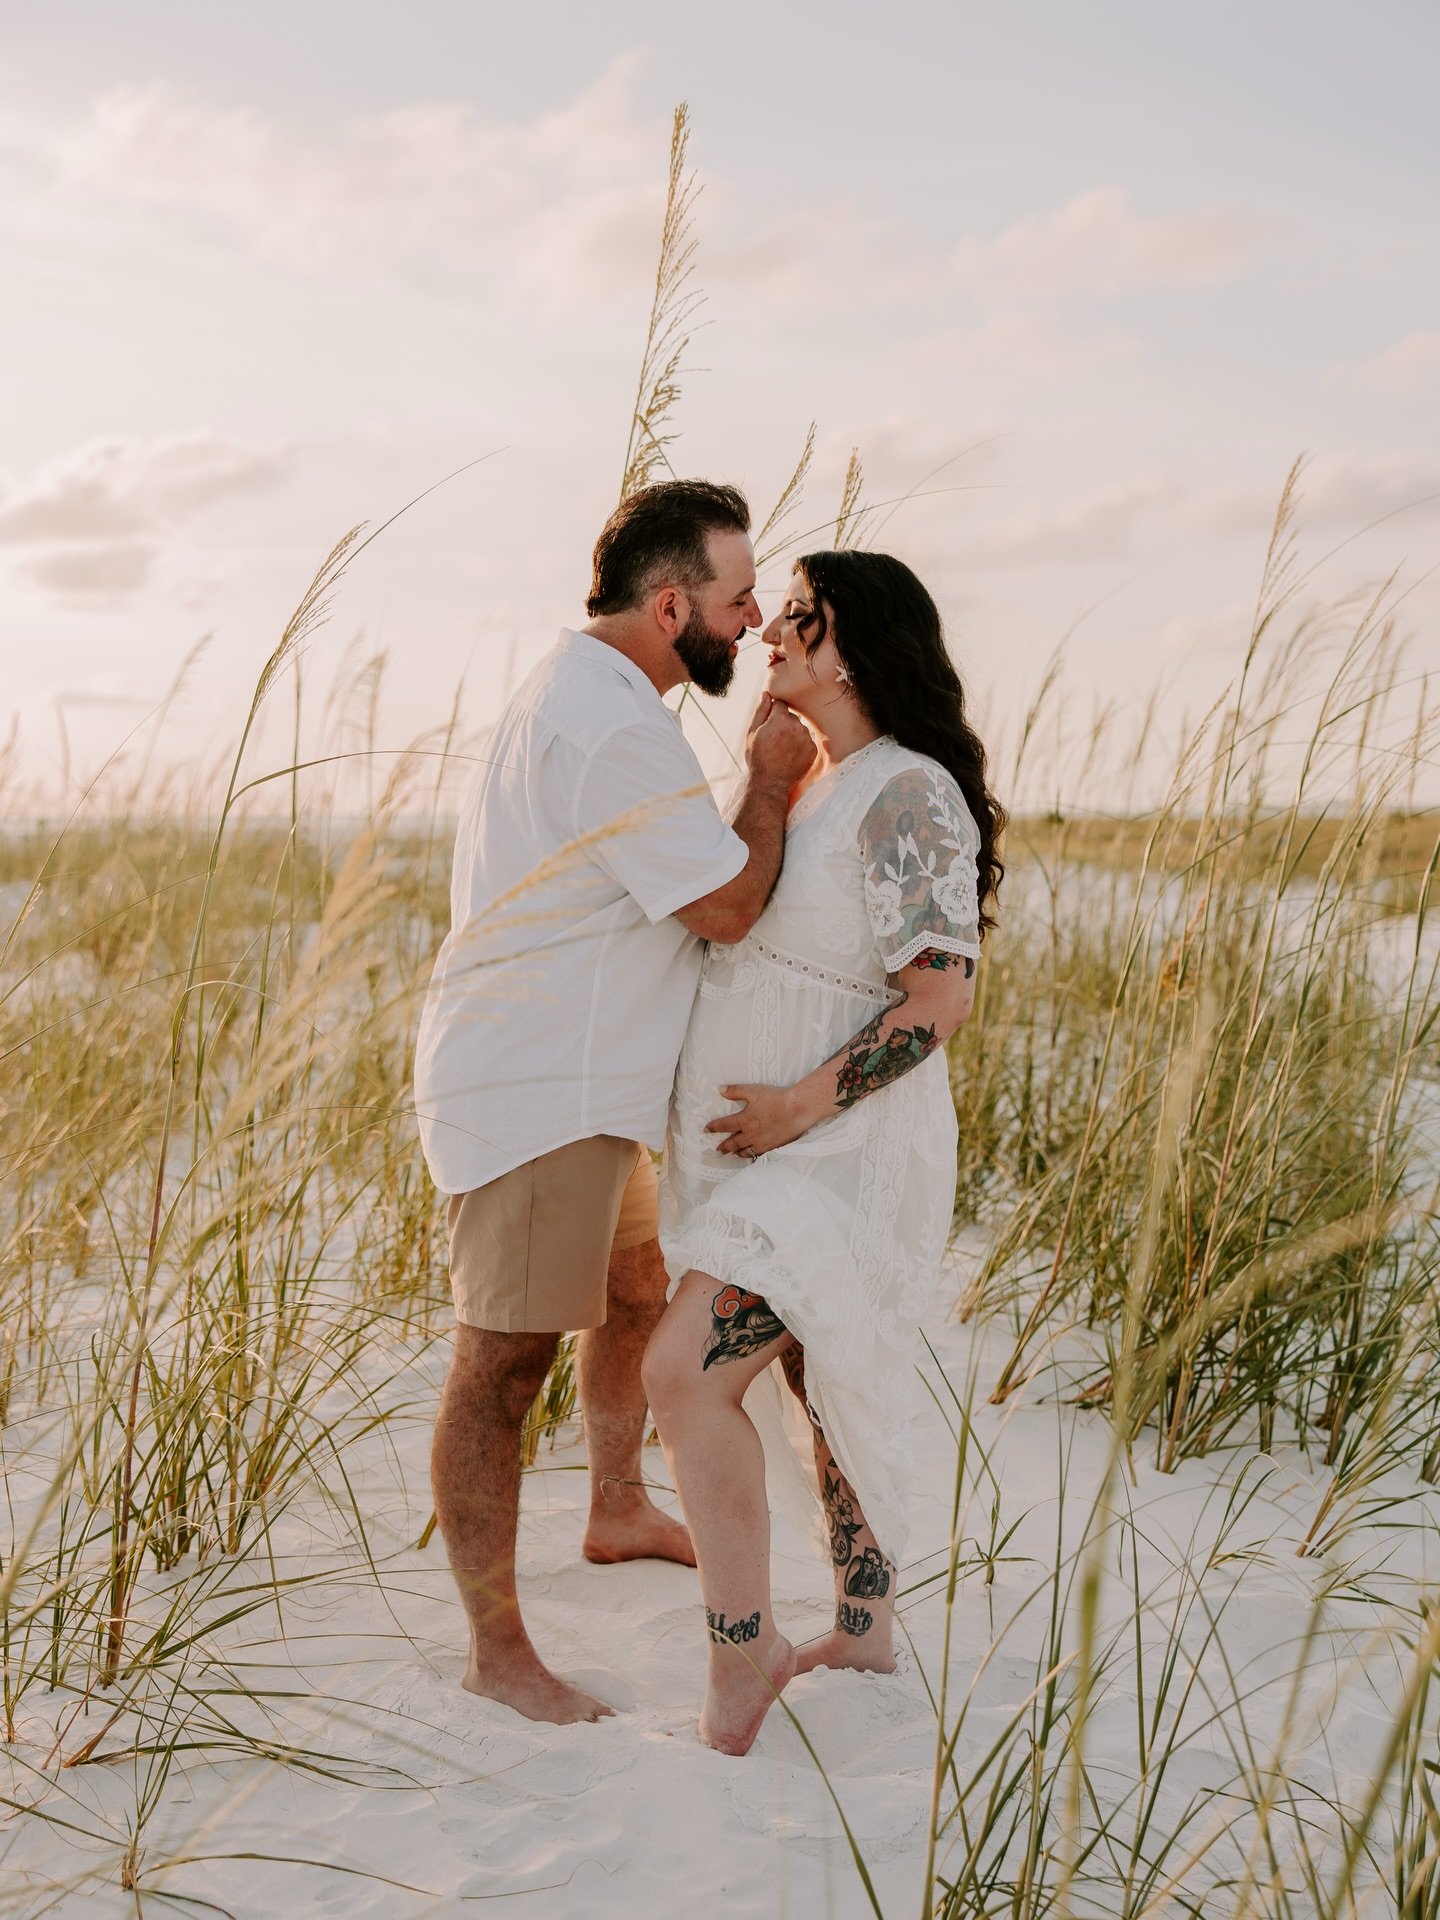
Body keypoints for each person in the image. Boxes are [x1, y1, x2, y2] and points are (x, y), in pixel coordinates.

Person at [413, 479, 815, 1726]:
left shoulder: (603, 694)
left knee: (635, 1293)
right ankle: (498, 1655)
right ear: (670, 602)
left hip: (596, 1078)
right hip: (541, 1086)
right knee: (501, 1363)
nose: (755, 621)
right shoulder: (610, 725)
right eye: (739, 598)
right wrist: (768, 772)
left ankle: (614, 1508)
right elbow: (729, 905)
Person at [643, 549, 1005, 1755]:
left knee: (686, 1370)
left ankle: (742, 1661)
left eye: (804, 616)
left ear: (866, 645)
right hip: (767, 1148)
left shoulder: (907, 791)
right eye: (780, 611)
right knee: (819, 1369)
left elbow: (936, 1000)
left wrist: (799, 1109)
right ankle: (862, 1627)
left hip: (841, 1146)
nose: (773, 631)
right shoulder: (813, 782)